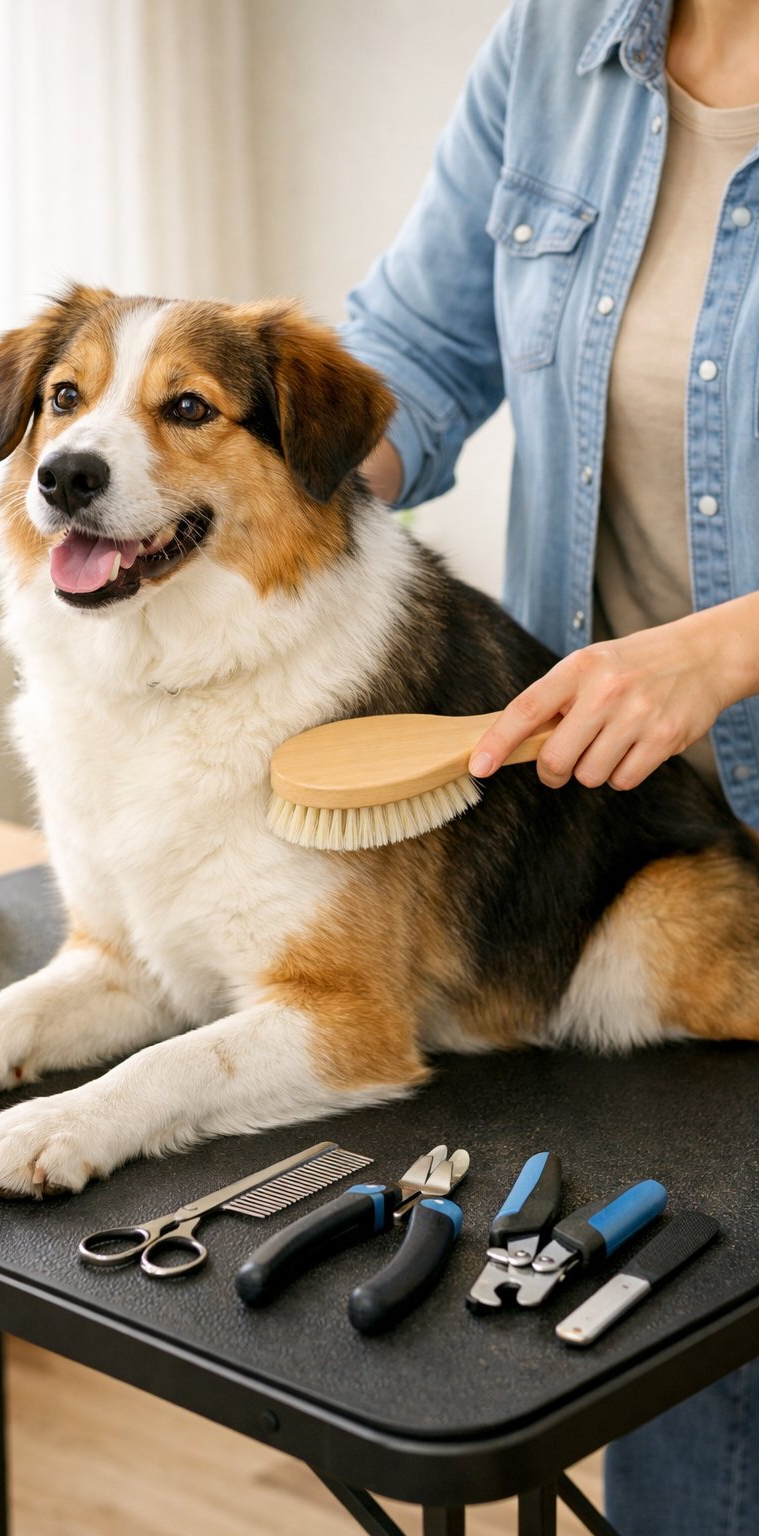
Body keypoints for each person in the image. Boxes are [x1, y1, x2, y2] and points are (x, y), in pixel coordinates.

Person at [341, 1, 759, 1532]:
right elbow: (416, 349)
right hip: (633, 855)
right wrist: (240, 458)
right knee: (693, 1381)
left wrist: (729, 646)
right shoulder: (559, 46)